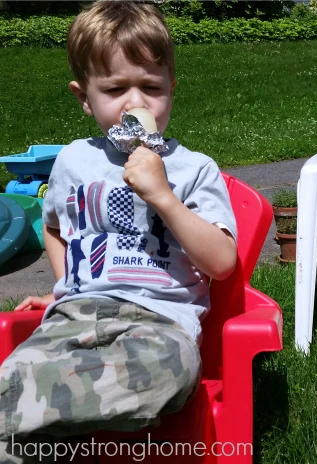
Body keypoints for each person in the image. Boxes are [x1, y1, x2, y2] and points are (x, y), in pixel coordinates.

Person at [0, 0, 238, 461]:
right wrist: (65, 286)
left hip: (159, 325)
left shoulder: (192, 169)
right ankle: (32, 406)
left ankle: (26, 410)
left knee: (170, 370)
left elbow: (223, 263)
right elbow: (54, 226)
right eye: (115, 89)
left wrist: (164, 196)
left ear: (172, 88)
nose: (136, 103)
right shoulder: (73, 161)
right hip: (74, 319)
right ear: (84, 98)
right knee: (19, 366)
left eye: (151, 86)